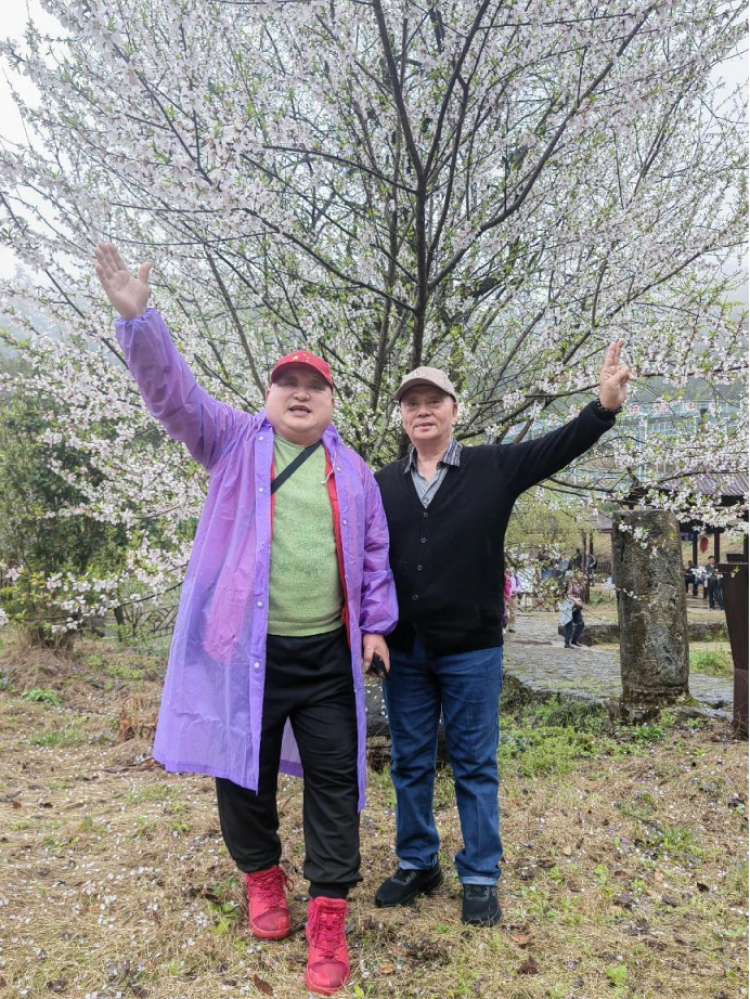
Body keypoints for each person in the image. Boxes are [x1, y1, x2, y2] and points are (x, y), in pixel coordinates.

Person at [94, 242, 398, 995]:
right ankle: (263, 877)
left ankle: (328, 913)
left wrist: (377, 623)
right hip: (244, 651)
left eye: (313, 386)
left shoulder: (353, 469)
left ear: (332, 403)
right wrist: (141, 323)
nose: (299, 393)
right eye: (285, 382)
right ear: (267, 395)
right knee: (243, 773)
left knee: (336, 778)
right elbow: (174, 398)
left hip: (326, 657)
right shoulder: (231, 442)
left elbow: (373, 554)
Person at [373, 344, 631, 926]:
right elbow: (365, 559)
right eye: (411, 403)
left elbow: (556, 448)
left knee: (475, 762)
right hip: (406, 650)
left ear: (453, 410)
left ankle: (481, 872)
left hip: (473, 649)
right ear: (402, 416)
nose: (422, 410)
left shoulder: (492, 467)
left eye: (432, 400)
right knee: (409, 761)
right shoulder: (382, 483)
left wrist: (603, 407)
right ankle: (418, 861)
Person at [563, 572, 586, 649]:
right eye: (579, 575)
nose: (580, 576)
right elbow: (568, 595)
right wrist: (576, 600)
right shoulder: (570, 584)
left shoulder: (578, 584)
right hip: (568, 605)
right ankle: (567, 643)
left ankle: (574, 640)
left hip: (576, 607)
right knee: (569, 624)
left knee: (581, 623)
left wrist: (581, 602)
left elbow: (581, 595)